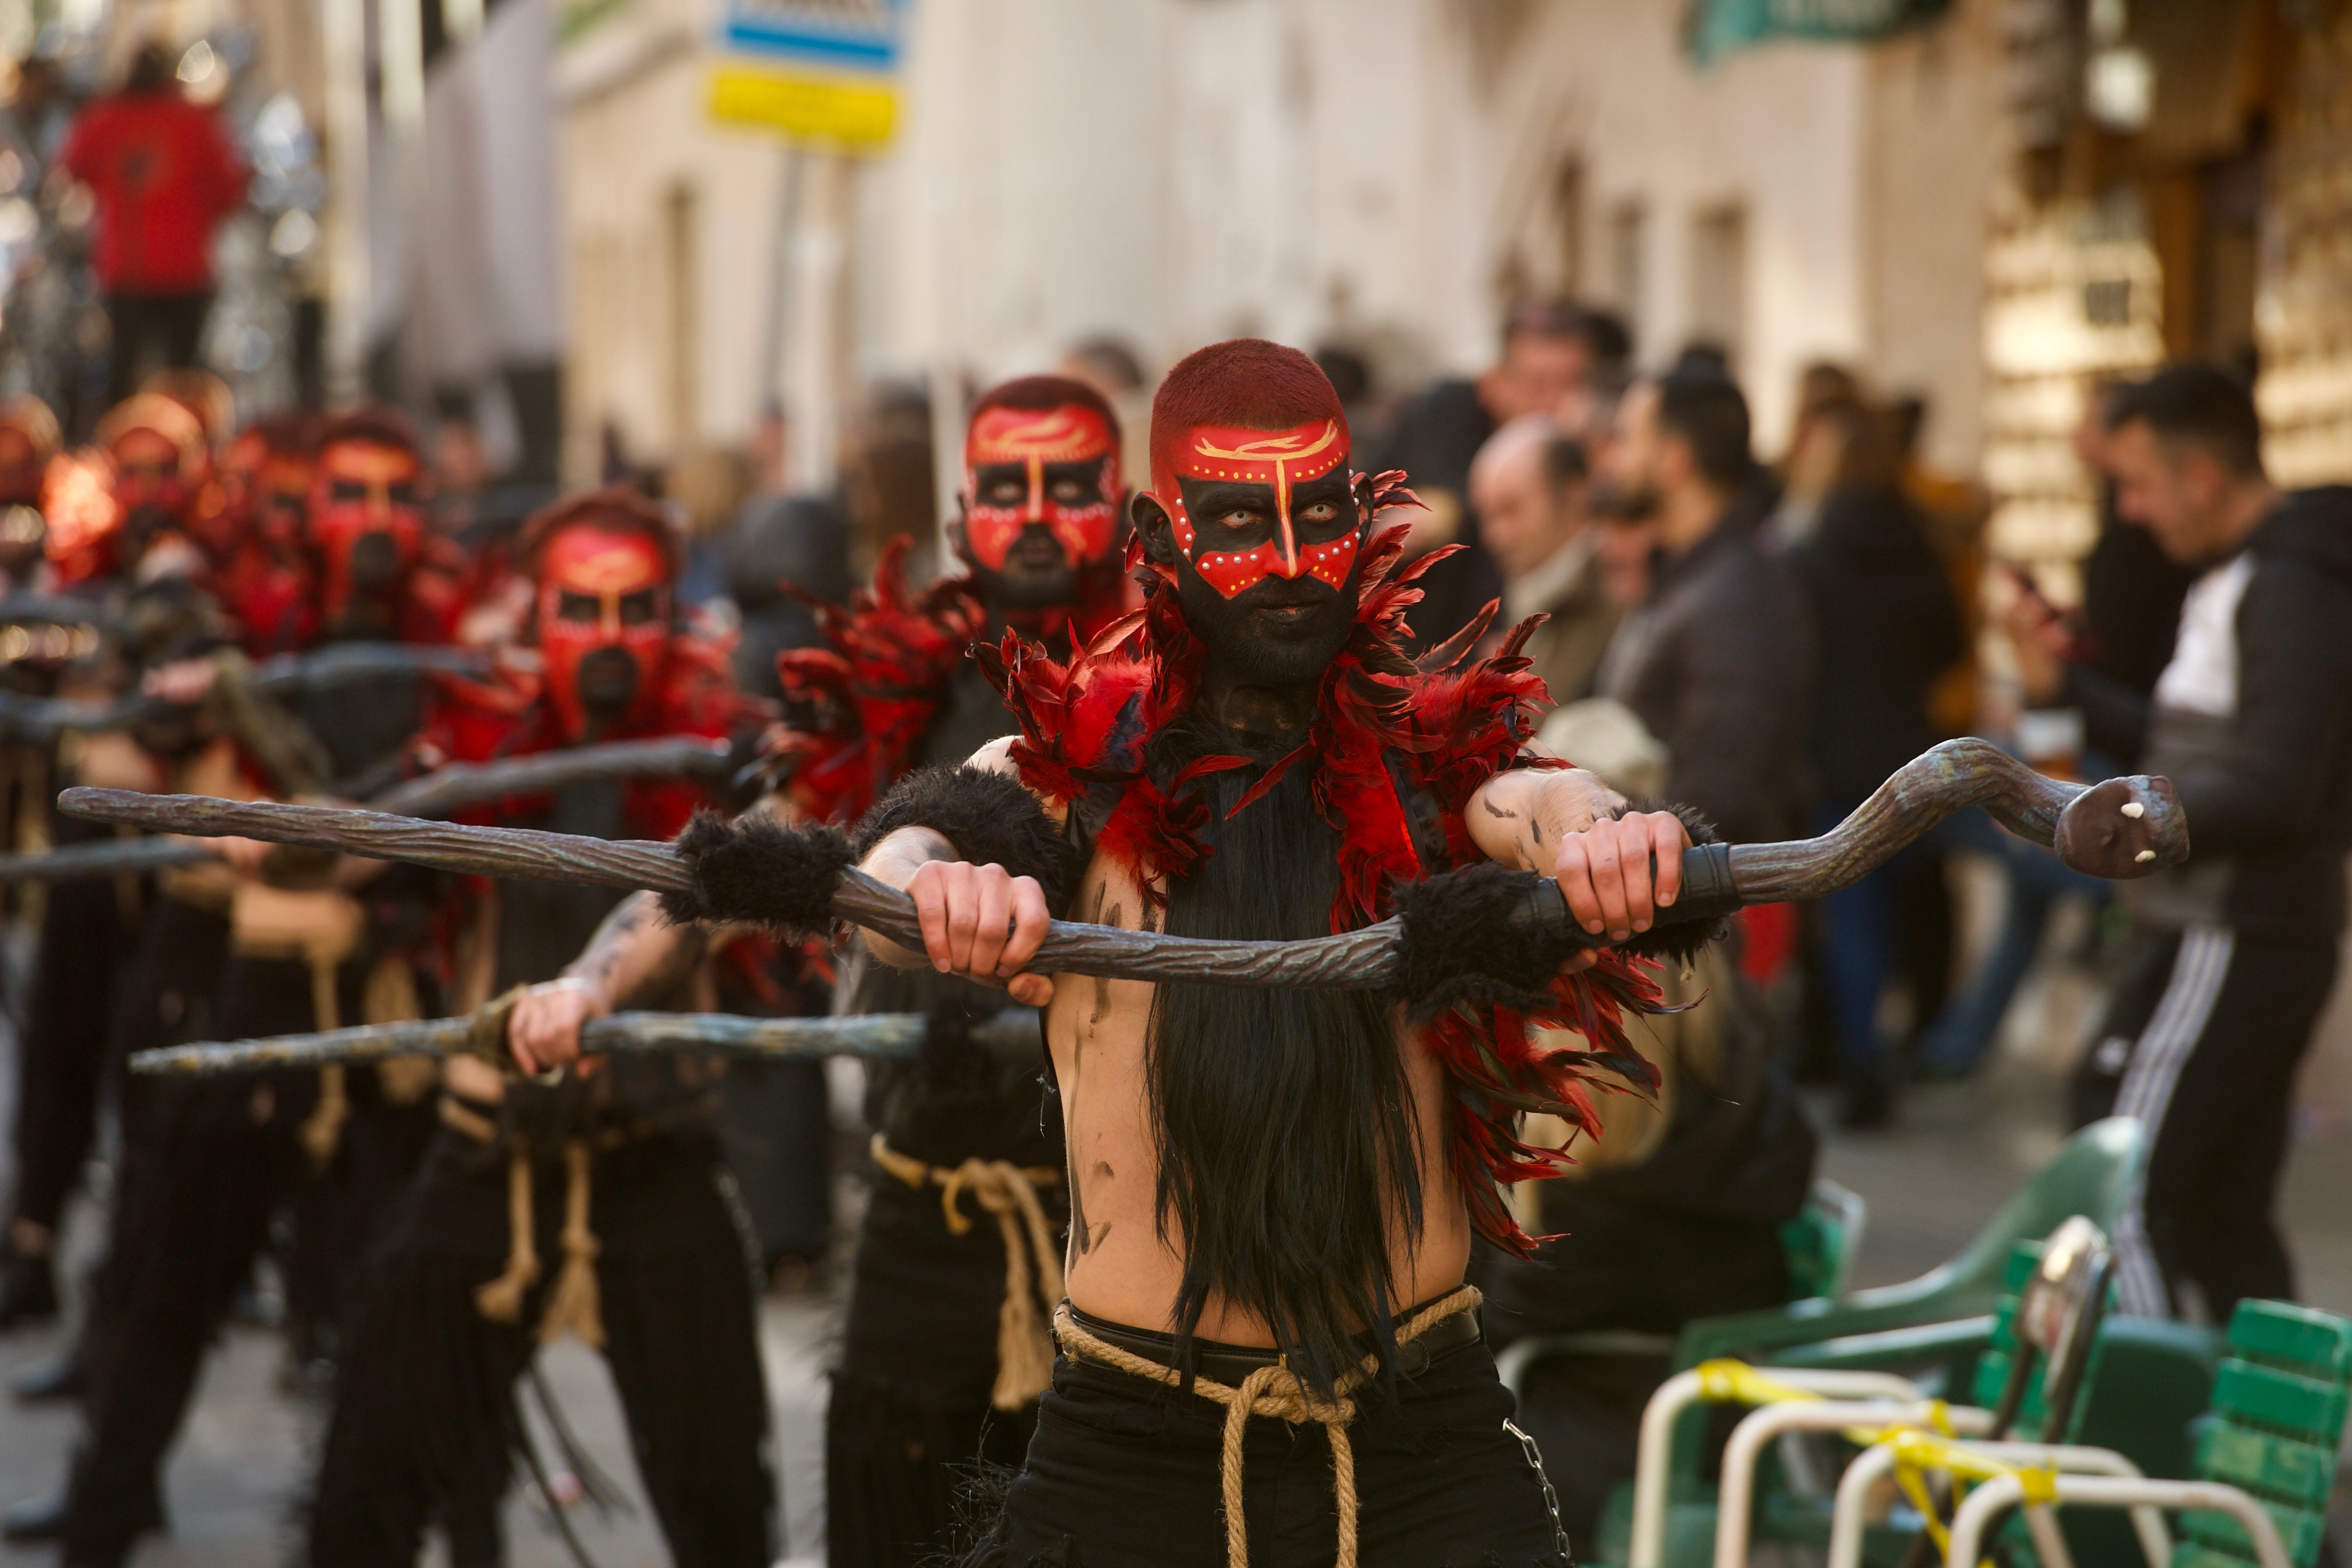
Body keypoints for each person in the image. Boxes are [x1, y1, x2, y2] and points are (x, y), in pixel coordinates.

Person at [647, 339, 1723, 1566]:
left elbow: (1539, 798)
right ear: (1159, 538)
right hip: (1132, 1440)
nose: (1282, 560)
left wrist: (1608, 839)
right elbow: (922, 828)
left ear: (1357, 518)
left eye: (1313, 514)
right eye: (1234, 519)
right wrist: (928, 886)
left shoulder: (1422, 756)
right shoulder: (1079, 762)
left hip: (1415, 1431)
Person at [505, 375, 1136, 1568]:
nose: (1038, 511)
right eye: (1007, 486)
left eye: (1070, 483)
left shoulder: (1179, 699)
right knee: (888, 1516)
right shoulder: (894, 694)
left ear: (1124, 505)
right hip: (923, 1195)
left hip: (1123, 1215)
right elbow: (732, 869)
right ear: (961, 515)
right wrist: (591, 983)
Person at [304, 489, 782, 1568]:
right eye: (580, 608)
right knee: (360, 1494)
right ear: (535, 616)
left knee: (723, 1509)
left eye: (635, 609)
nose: (608, 639)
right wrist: (296, 823)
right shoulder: (469, 752)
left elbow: (692, 894)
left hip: (655, 1163)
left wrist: (591, 986)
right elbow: (337, 860)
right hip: (484, 1161)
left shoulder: (730, 759)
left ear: (673, 616)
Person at [2010, 364, 2352, 1322]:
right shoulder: (2243, 577)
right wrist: (2059, 688)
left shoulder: (2290, 586)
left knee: (2114, 1185)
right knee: (2218, 1214)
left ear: (2202, 474)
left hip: (2234, 927)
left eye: (2140, 484)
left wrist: (2121, 822)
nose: (2132, 510)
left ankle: (2134, 1443)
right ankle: (2269, 1454)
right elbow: (2188, 751)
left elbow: (2278, 783)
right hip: (2227, 927)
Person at [1785, 403, 1965, 1126]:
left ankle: (1861, 1062)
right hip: (1911, 756)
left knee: (1851, 919)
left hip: (1835, 762)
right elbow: (1949, 648)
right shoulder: (1922, 549)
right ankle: (1915, 1041)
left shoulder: (1809, 557)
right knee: (1906, 907)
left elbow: (1795, 662)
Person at [1593, 372, 1812, 846]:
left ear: (1674, 460)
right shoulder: (1688, 575)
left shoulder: (1736, 600)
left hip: (1704, 892)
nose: (1614, 460)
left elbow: (1720, 797)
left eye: (1629, 439)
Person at [1372, 296, 1605, 647]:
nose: (1557, 404)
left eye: (1571, 385)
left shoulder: (1589, 452)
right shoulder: (1446, 420)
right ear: (1495, 384)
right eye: (1538, 385)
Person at [60, 42, 247, 407]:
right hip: (183, 265)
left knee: (123, 369)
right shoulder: (195, 122)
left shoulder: (104, 119)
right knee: (183, 375)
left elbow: (73, 167)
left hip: (127, 266)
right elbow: (229, 190)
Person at [1471, 414, 1618, 708]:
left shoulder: (1617, 587)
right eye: (1487, 516)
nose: (1496, 534)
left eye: (1512, 509)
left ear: (1575, 495)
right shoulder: (1519, 593)